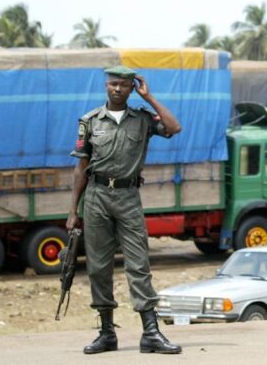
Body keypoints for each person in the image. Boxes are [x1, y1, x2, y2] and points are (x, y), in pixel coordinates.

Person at [66, 65, 183, 355]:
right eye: (112, 84)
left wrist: (151, 98)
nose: (117, 89)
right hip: (96, 197)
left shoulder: (142, 119)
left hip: (128, 196)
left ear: (133, 88)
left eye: (123, 85)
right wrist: (73, 211)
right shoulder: (90, 121)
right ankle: (106, 333)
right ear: (106, 86)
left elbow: (174, 127)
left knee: (138, 264)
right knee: (98, 267)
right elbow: (81, 168)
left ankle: (151, 333)